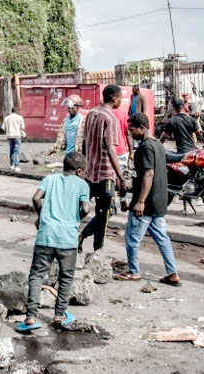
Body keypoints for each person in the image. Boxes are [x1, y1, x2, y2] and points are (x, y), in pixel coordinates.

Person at [17, 152, 91, 332]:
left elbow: (36, 198)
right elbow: (86, 209)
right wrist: (74, 219)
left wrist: (42, 215)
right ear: (80, 171)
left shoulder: (50, 179)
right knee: (65, 277)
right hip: (68, 239)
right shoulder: (82, 185)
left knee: (36, 275)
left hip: (46, 235)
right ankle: (59, 314)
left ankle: (30, 317)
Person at [113, 113, 180, 285]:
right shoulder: (157, 144)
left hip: (146, 203)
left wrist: (140, 200)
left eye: (132, 129)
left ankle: (134, 271)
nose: (130, 133)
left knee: (132, 238)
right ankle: (172, 273)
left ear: (142, 128)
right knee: (162, 238)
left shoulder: (145, 148)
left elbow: (149, 174)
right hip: (158, 201)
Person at [78, 85, 127, 252]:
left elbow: (84, 143)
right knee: (104, 215)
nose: (121, 100)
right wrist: (120, 177)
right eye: (120, 97)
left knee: (81, 210)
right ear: (114, 98)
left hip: (89, 173)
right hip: (105, 174)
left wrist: (84, 167)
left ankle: (74, 239)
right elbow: (111, 149)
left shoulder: (91, 113)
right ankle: (97, 250)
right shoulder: (110, 118)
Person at [1, 106, 26, 171]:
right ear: (17, 111)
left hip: (9, 136)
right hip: (17, 136)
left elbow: (3, 127)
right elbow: (22, 127)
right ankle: (17, 166)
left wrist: (8, 131)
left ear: (11, 111)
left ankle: (12, 165)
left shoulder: (7, 118)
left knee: (11, 151)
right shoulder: (19, 117)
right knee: (16, 151)